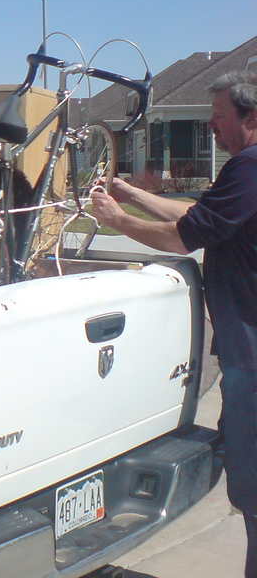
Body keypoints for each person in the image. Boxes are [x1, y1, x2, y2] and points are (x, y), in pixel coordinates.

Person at [91, 71, 257, 578]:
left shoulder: (250, 166)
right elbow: (197, 214)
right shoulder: (246, 171)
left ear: (251, 119)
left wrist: (116, 220)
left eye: (219, 118)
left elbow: (184, 238)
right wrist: (129, 193)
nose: (210, 127)